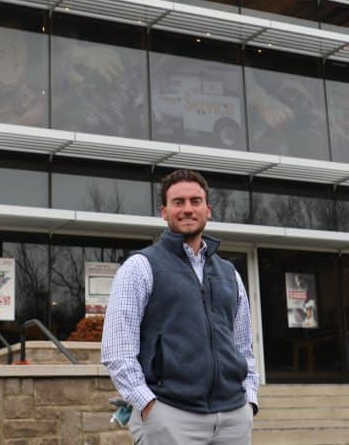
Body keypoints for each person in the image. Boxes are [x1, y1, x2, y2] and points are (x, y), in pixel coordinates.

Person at [102, 169, 258, 444]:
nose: (188, 209)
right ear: (164, 212)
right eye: (178, 202)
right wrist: (148, 405)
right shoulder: (140, 267)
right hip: (171, 415)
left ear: (208, 209)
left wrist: (250, 401)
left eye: (195, 201)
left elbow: (243, 346)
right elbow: (118, 350)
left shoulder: (230, 273)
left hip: (234, 417)